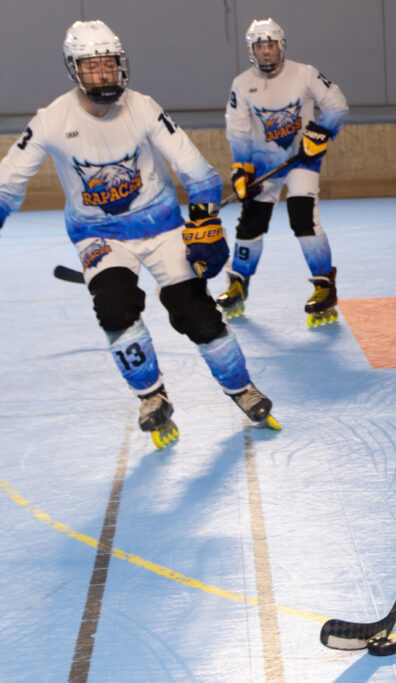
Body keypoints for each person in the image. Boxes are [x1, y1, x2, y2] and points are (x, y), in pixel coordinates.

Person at [0, 20, 278, 449]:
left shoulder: (144, 108)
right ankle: (151, 397)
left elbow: (197, 172)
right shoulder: (52, 120)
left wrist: (204, 220)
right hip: (98, 234)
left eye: (109, 64)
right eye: (92, 67)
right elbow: (8, 183)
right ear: (74, 69)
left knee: (196, 312)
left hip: (162, 225)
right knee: (115, 308)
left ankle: (241, 388)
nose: (103, 75)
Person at [219, 18, 349, 328]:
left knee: (303, 217)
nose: (266, 52)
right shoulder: (241, 83)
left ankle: (324, 286)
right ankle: (238, 282)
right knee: (251, 220)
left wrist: (319, 134)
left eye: (271, 45)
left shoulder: (304, 73)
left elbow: (337, 105)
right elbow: (238, 130)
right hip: (264, 165)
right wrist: (241, 170)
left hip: (302, 160)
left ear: (282, 46)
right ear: (252, 50)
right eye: (260, 47)